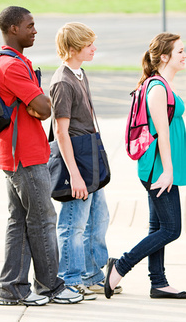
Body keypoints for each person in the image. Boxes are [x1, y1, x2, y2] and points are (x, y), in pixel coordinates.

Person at [0, 6, 82, 306]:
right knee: (43, 220)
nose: (34, 30)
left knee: (19, 221)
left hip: (17, 154)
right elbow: (44, 108)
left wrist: (36, 103)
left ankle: (12, 288)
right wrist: (37, 104)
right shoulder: (12, 66)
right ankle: (49, 286)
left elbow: (40, 104)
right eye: (29, 25)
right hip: (26, 157)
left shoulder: (13, 61)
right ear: (13, 29)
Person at [104, 33, 186, 300]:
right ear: (164, 56)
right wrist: (167, 171)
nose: (184, 55)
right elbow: (161, 133)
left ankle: (159, 282)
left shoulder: (163, 84)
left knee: (158, 227)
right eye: (180, 51)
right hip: (157, 168)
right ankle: (120, 266)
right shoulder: (157, 88)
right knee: (171, 229)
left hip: (162, 167)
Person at [49, 22, 114, 301]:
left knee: (98, 218)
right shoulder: (63, 82)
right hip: (76, 161)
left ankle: (90, 274)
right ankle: (69, 278)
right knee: (73, 223)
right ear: (74, 49)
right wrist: (75, 175)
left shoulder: (79, 73)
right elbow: (61, 132)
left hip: (89, 157)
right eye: (89, 45)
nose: (94, 49)